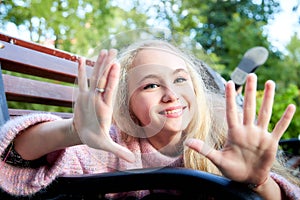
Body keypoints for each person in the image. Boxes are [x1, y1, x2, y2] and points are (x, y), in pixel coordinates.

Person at [0, 39, 299, 199]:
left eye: (180, 80)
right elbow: (13, 159)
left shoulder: (219, 138)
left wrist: (259, 184)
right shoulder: (114, 148)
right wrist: (71, 131)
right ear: (127, 104)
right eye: (151, 85)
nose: (171, 95)